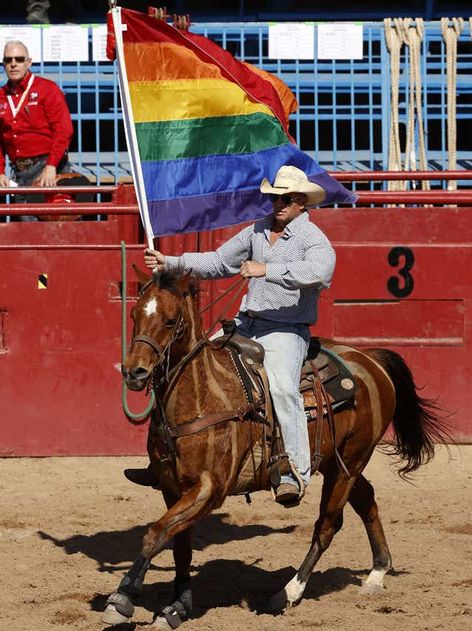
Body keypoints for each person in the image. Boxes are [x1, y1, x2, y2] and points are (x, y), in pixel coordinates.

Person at [126, 165, 336, 506]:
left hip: (285, 329)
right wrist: (171, 263)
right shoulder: (257, 231)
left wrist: (267, 269)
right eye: (274, 197)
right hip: (245, 324)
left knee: (283, 388)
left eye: (286, 198)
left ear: (301, 202)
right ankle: (162, 459)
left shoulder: (313, 239)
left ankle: (293, 471)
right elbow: (218, 261)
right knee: (184, 367)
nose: (278, 203)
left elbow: (319, 272)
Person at [0, 40, 74, 220]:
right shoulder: (1, 95)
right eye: (8, 60)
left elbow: (63, 129)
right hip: (19, 171)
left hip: (46, 166)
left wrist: (51, 165)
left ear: (29, 62)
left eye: (19, 59)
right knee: (28, 230)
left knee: (54, 227)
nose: (13, 64)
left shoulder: (47, 89)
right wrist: (0, 171)